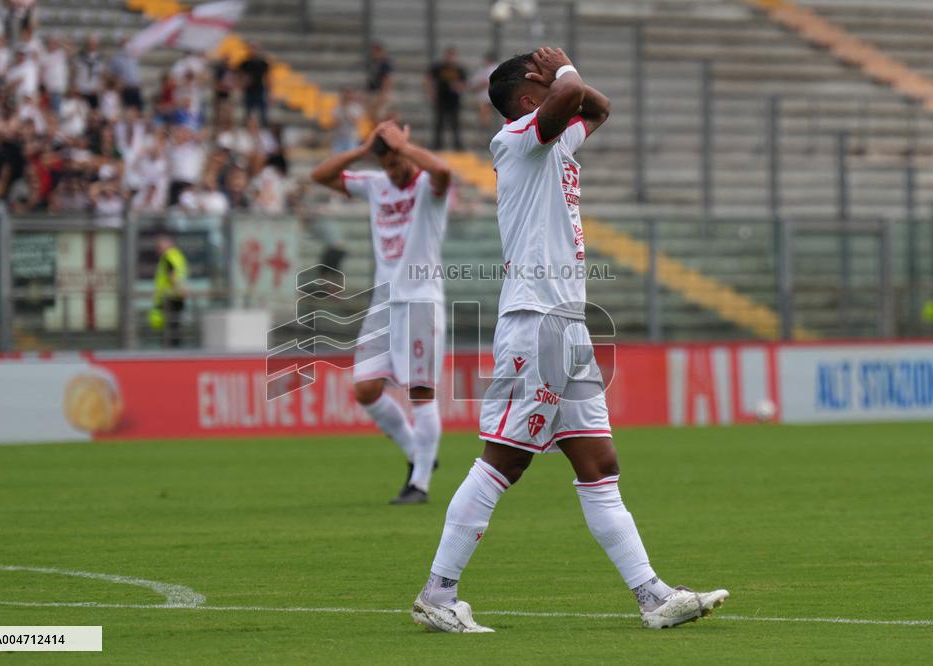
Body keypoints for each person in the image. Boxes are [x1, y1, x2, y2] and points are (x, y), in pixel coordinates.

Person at [411, 48, 728, 633]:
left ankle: (653, 596)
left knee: (600, 463)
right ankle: (438, 592)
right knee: (502, 463)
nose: (560, 87)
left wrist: (567, 74)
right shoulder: (517, 138)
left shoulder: (553, 140)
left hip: (565, 323)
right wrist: (562, 73)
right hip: (536, 321)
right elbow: (568, 98)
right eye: (544, 84)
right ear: (529, 99)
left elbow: (597, 108)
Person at [310, 120, 451, 504]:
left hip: (421, 299)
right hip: (384, 300)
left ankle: (419, 484)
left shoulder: (427, 186)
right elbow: (319, 175)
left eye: (397, 161)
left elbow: (443, 171)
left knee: (421, 393)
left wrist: (404, 146)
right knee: (366, 389)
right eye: (386, 163)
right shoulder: (375, 184)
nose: (393, 170)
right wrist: (361, 149)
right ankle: (417, 453)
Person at [426, 46, 466, 150]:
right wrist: (431, 92)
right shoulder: (439, 68)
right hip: (441, 99)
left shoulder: (459, 69)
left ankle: (457, 146)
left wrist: (457, 87)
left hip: (454, 101)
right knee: (439, 123)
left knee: (455, 124)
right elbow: (429, 78)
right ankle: (437, 145)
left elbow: (463, 85)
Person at [152, 234, 188, 348]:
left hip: (170, 297)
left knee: (170, 327)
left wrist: (180, 289)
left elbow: (172, 276)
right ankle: (175, 348)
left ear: (168, 245)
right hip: (177, 296)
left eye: (159, 246)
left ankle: (171, 349)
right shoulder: (177, 255)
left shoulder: (168, 257)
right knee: (175, 326)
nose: (158, 249)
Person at [238, 44, 270, 126]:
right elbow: (239, 76)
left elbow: (267, 78)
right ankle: (247, 128)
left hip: (260, 90)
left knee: (263, 113)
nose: (254, 51)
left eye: (255, 48)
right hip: (249, 91)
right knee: (248, 111)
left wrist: (270, 92)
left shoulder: (263, 63)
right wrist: (243, 82)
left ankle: (263, 129)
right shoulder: (245, 63)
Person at [468, 51, 499, 130]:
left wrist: (476, 88)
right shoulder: (485, 68)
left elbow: (486, 82)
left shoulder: (492, 68)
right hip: (484, 98)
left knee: (485, 116)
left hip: (487, 98)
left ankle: (485, 127)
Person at [365, 42, 392, 124]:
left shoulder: (385, 64)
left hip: (379, 92)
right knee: (371, 115)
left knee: (380, 115)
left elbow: (387, 79)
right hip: (372, 92)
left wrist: (383, 94)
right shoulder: (372, 62)